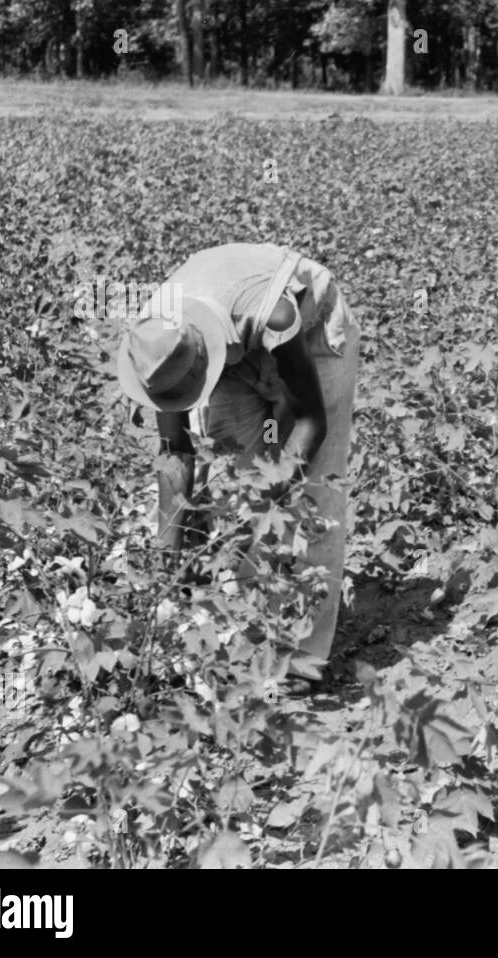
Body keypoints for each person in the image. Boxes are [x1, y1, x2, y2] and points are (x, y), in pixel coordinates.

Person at [117, 243, 359, 670]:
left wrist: (272, 485)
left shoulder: (273, 315)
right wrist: (164, 570)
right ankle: (249, 636)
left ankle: (299, 657)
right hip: (236, 352)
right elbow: (176, 453)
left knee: (311, 496)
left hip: (309, 341)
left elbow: (305, 419)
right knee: (234, 485)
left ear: (200, 365)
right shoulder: (155, 348)